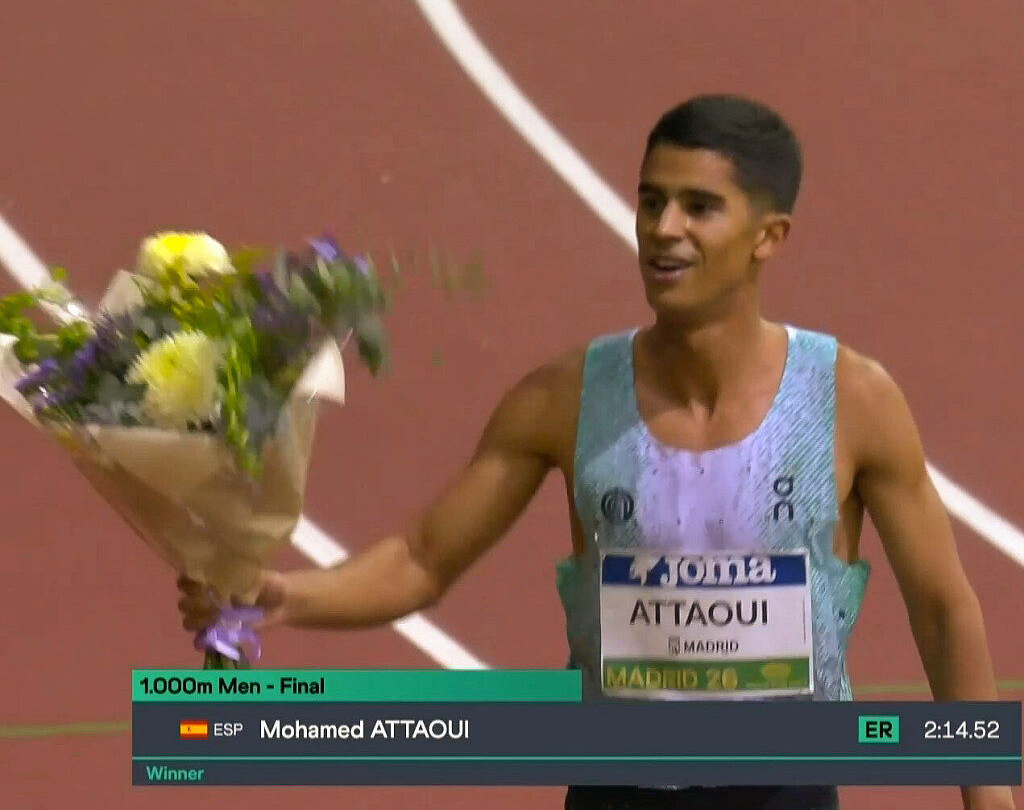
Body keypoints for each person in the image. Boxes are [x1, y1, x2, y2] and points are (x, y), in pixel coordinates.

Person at [178, 94, 1014, 810]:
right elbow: (422, 559)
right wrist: (280, 595)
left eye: (699, 207)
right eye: (651, 202)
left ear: (769, 235)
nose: (663, 229)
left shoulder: (851, 400)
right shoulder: (565, 397)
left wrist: (991, 801)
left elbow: (944, 611)